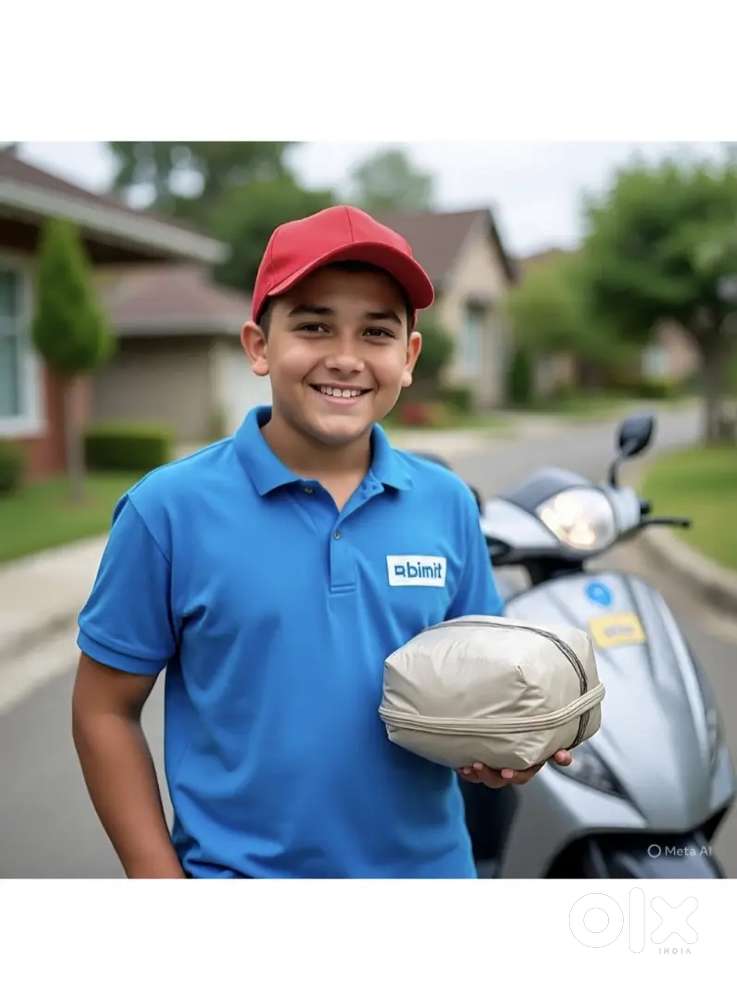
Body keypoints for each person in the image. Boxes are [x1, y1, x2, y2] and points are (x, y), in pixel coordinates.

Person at [71, 205, 573, 879]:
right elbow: (104, 710)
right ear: (258, 345)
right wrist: (156, 880)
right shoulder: (167, 511)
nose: (345, 357)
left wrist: (509, 742)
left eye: (375, 332)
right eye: (313, 326)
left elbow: (479, 679)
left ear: (408, 357)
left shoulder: (445, 502)